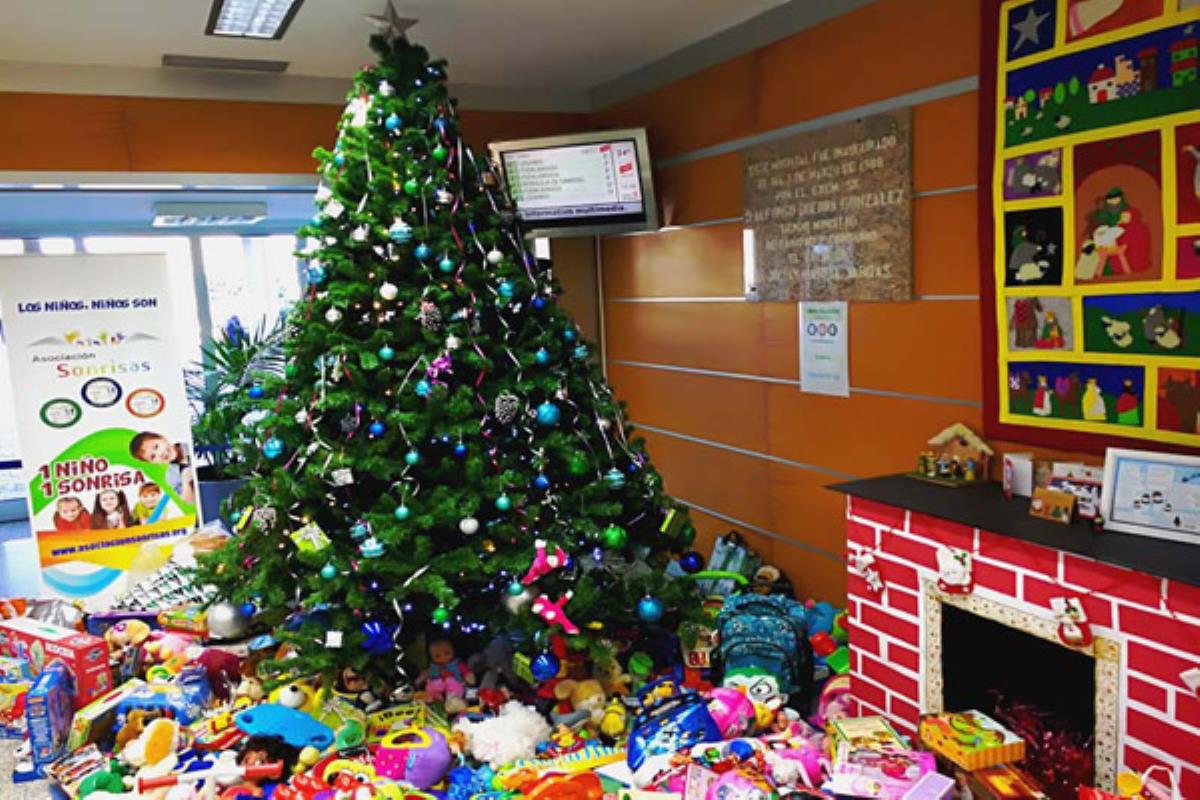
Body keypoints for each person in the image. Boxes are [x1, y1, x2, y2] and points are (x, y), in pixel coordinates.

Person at [129, 432, 195, 505]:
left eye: (156, 446)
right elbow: (189, 501)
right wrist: (186, 483)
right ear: (152, 463)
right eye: (153, 456)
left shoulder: (192, 443)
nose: (160, 453)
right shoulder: (171, 476)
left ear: (163, 438)